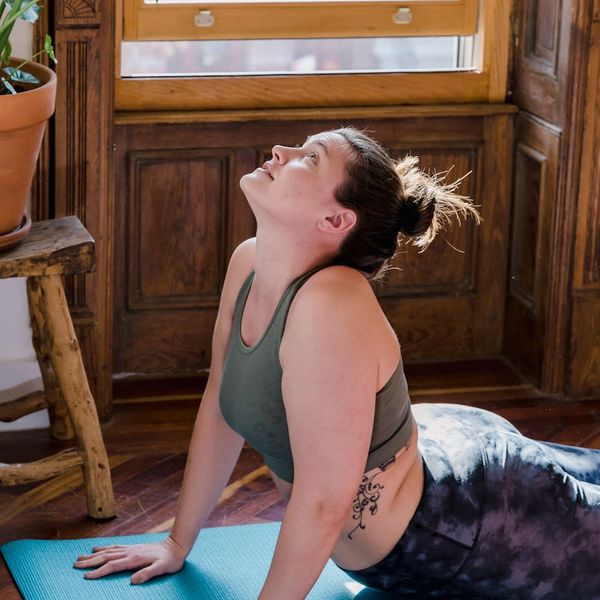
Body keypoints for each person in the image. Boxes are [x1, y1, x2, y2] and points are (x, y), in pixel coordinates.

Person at [73, 128, 600, 599]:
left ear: (334, 219)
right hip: (448, 449)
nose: (281, 150)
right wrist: (176, 542)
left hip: (472, 518)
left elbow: (326, 503)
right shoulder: (250, 261)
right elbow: (219, 406)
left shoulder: (330, 307)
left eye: (309, 156)